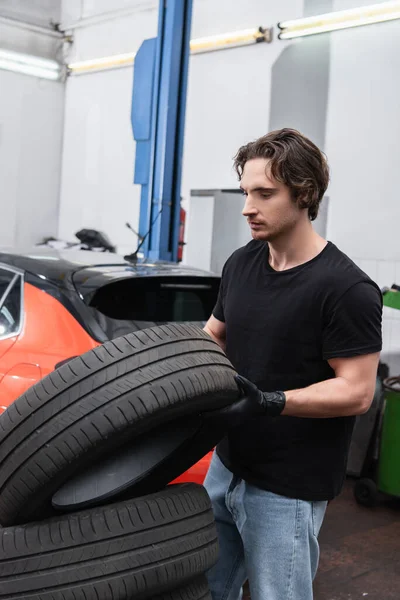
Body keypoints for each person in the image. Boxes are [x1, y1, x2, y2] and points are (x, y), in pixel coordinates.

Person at [203, 128, 382, 600]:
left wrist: (269, 402)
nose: (247, 207)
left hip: (287, 487)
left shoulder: (345, 289)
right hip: (225, 465)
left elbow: (357, 390)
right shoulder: (242, 263)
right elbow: (214, 334)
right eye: (246, 192)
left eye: (264, 193)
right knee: (207, 590)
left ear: (304, 193)